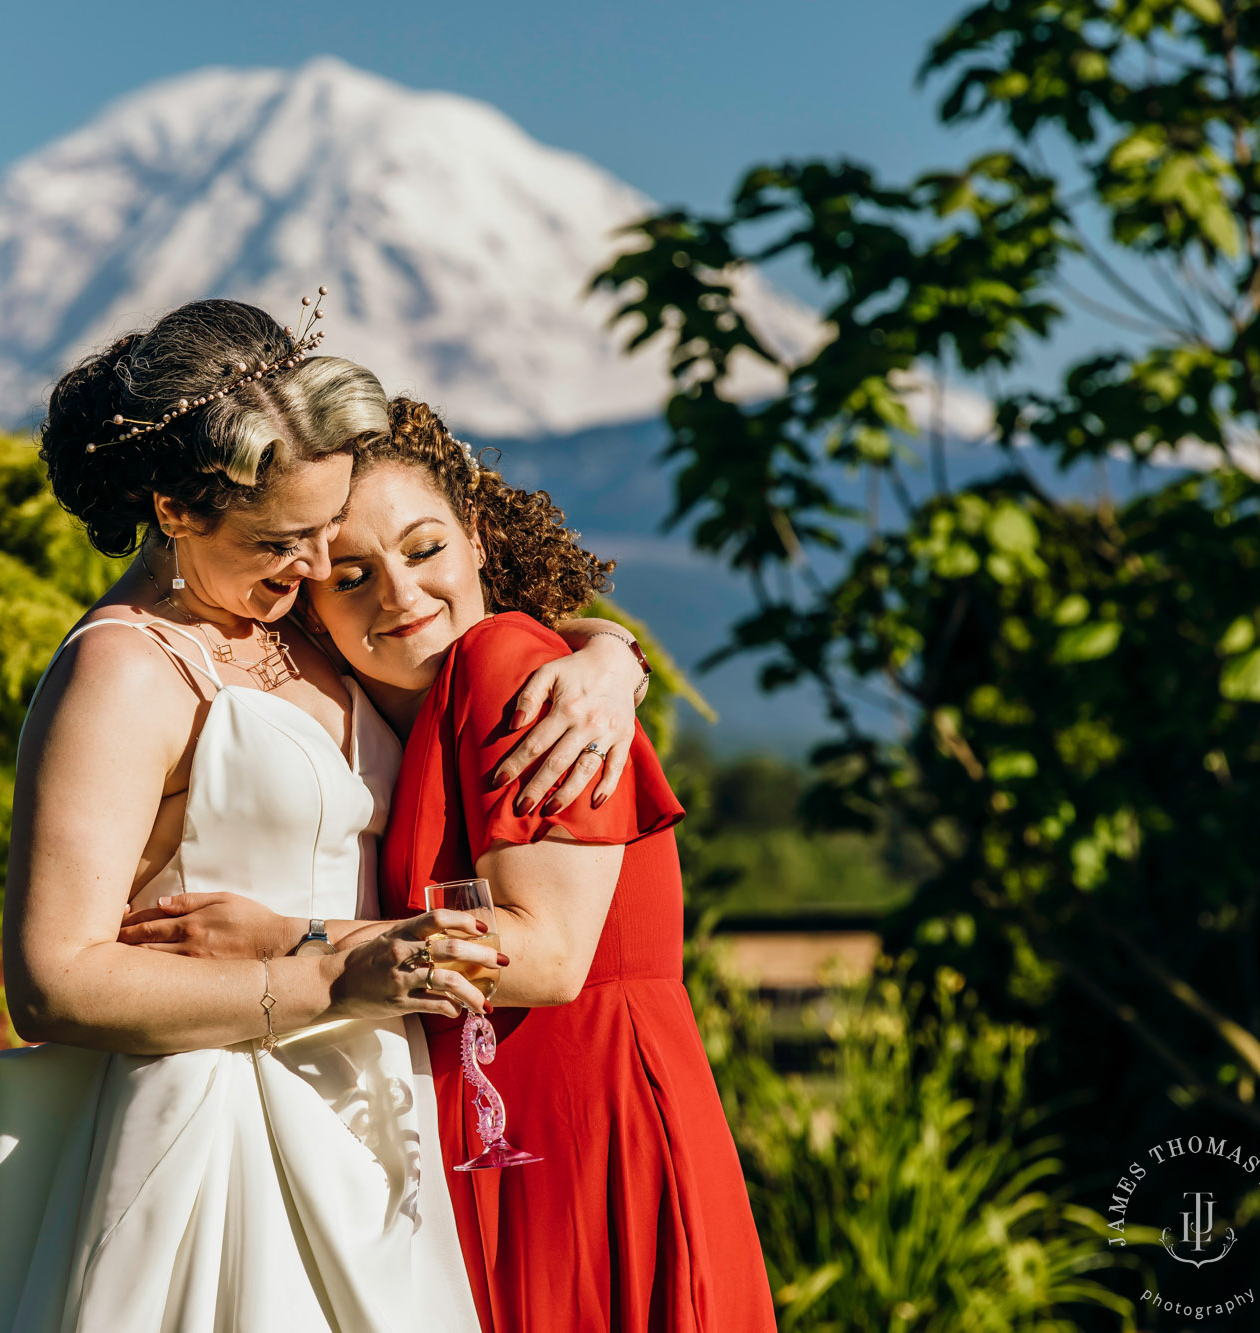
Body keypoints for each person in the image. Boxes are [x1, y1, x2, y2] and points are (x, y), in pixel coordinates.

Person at [0, 302, 652, 1333]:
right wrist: (323, 974)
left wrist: (602, 655)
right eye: (282, 537)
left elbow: (455, 640)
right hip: (214, 1121)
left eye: (325, 528)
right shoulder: (122, 671)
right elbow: (50, 980)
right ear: (173, 509)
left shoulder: (290, 619)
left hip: (372, 1113)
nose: (318, 564)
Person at [126, 398, 779, 1333]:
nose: (399, 595)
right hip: (503, 1126)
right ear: (310, 600)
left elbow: (547, 959)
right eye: (351, 574)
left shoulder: (505, 663)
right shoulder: (405, 714)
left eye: (425, 549)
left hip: (587, 1123)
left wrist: (284, 941)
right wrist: (610, 646)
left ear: (476, 536)